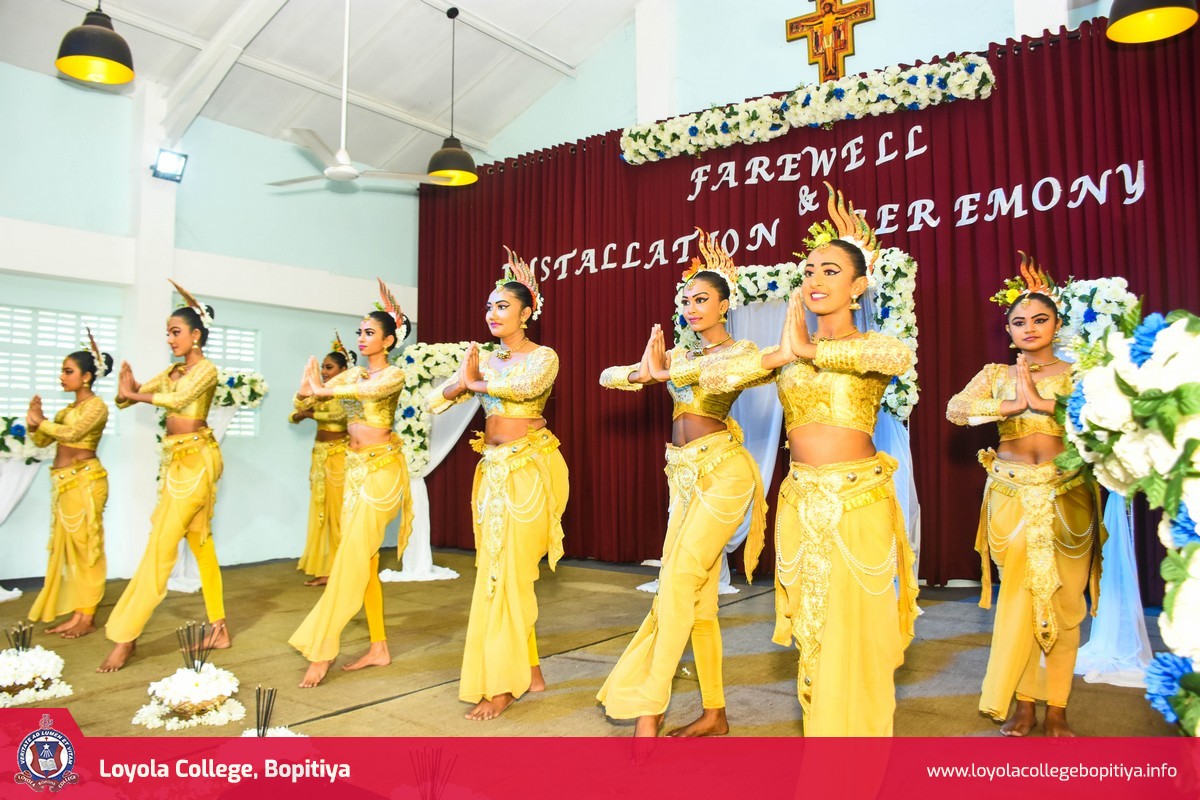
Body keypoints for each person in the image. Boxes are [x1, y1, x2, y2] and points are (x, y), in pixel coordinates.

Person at [708, 186, 918, 736]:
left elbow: (898, 356)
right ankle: (824, 739)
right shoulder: (789, 354)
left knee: (860, 624)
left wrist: (808, 350)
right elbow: (714, 377)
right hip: (801, 501)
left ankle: (862, 745)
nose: (815, 280)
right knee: (814, 623)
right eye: (808, 272)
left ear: (858, 286)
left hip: (858, 500)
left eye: (830, 271)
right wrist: (782, 354)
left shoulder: (872, 345)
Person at [596, 230, 767, 738]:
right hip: (683, 478)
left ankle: (648, 709)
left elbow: (738, 373)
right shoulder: (679, 356)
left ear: (725, 305)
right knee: (700, 602)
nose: (692, 309)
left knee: (675, 585)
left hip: (724, 473)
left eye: (702, 300)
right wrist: (645, 374)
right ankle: (715, 713)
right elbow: (608, 375)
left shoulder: (739, 350)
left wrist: (667, 372)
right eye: (687, 301)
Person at [946, 252, 1104, 737]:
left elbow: (1105, 420)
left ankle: (1057, 706)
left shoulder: (1080, 373)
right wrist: (1012, 405)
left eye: (1039, 319)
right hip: (1010, 493)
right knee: (1019, 600)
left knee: (1065, 601)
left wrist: (1049, 405)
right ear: (1008, 331)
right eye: (1019, 322)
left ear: (1057, 325)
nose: (1030, 328)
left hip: (1067, 492)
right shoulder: (997, 374)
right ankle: (1023, 703)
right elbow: (956, 410)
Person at [428, 247, 568, 721]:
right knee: (495, 571)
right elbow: (433, 402)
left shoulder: (543, 356)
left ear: (527, 314)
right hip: (491, 472)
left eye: (503, 306)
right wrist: (459, 383)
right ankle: (529, 669)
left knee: (510, 572)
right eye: (489, 306)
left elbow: (525, 388)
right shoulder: (484, 360)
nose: (492, 313)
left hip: (528, 470)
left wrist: (474, 384)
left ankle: (503, 685)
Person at [289, 279, 413, 688]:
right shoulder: (353, 373)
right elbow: (307, 400)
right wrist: (306, 391)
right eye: (359, 331)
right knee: (365, 561)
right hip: (354, 470)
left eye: (370, 332)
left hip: (383, 472)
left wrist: (322, 389)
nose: (361, 337)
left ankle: (322, 649)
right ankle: (379, 647)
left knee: (351, 559)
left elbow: (365, 392)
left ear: (389, 340)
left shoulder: (392, 375)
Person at [99, 281, 229, 672]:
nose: (170, 339)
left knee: (161, 546)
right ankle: (219, 629)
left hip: (198, 461)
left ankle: (126, 636)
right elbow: (129, 398)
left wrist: (135, 394)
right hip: (176, 462)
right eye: (168, 333)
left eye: (175, 332)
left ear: (196, 335)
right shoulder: (173, 370)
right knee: (201, 544)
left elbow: (176, 400)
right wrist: (125, 389)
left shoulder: (206, 370)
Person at [25, 330, 112, 639]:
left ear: (86, 377)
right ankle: (78, 613)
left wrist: (42, 421)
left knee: (88, 548)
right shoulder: (66, 411)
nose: (62, 376)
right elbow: (41, 441)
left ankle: (87, 616)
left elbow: (74, 435)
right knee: (70, 552)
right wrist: (34, 421)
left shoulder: (97, 406)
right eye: (62, 371)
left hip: (86, 482)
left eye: (68, 371)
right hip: (64, 485)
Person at [291, 334, 352, 587]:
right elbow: (296, 408)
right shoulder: (320, 392)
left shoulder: (347, 392)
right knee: (321, 513)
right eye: (323, 368)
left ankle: (342, 571)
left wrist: (309, 414)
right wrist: (301, 410)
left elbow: (338, 416)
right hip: (319, 456)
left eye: (329, 367)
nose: (324, 372)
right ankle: (326, 569)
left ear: (343, 370)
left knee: (338, 514)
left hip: (339, 457)